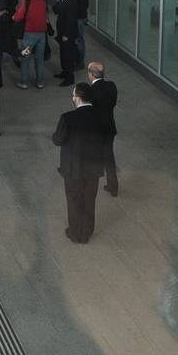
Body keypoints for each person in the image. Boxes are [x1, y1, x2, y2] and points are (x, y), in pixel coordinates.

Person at [52, 83, 111, 244]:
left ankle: (74, 232)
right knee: (89, 200)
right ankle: (86, 232)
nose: (72, 98)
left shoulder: (67, 118)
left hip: (73, 168)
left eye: (73, 95)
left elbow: (58, 140)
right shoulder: (102, 117)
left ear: (78, 98)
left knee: (73, 199)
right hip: (93, 168)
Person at [87, 62, 120, 196]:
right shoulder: (111, 86)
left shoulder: (90, 92)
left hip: (95, 131)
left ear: (91, 74)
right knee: (109, 158)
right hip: (109, 128)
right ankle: (113, 187)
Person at [13, 0, 49, 89]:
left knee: (25, 58)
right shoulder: (43, 1)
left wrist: (14, 17)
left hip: (30, 33)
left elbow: (19, 16)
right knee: (40, 58)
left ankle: (24, 83)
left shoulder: (26, 2)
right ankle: (40, 82)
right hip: (42, 34)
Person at [52, 0, 82, 85]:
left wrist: (66, 35)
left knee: (68, 56)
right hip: (63, 32)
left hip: (67, 34)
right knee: (63, 54)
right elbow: (56, 8)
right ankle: (64, 72)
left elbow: (71, 20)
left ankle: (69, 79)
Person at [67, 0, 90, 65]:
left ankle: (80, 62)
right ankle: (75, 59)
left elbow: (84, 5)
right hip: (74, 18)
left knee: (78, 40)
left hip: (78, 19)